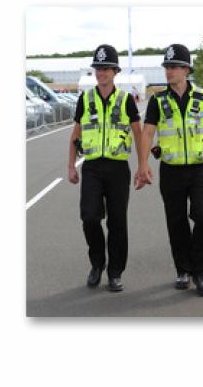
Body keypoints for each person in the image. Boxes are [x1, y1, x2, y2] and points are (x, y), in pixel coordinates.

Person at [136, 44, 203, 297]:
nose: (169, 71)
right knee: (176, 222)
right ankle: (183, 269)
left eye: (174, 66)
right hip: (171, 171)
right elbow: (148, 133)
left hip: (199, 169)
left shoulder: (202, 97)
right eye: (167, 67)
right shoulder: (158, 100)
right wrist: (143, 164)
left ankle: (200, 271)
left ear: (186, 69)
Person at [68, 44, 142, 292]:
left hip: (118, 169)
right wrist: (71, 166)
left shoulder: (125, 100)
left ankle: (115, 272)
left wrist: (143, 166)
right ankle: (97, 264)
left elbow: (139, 134)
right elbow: (75, 134)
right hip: (92, 168)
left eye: (105, 68)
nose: (101, 73)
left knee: (117, 222)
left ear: (115, 71)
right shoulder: (85, 100)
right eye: (97, 68)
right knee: (89, 217)